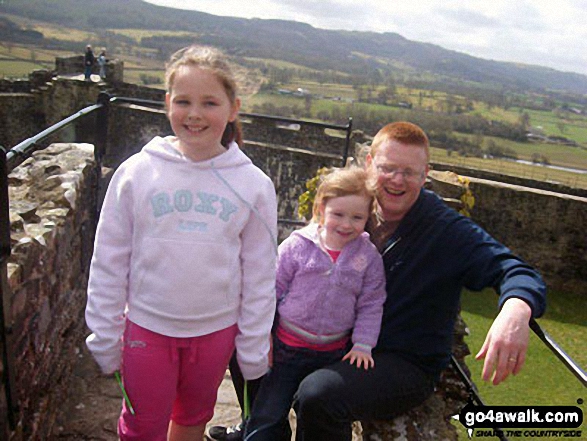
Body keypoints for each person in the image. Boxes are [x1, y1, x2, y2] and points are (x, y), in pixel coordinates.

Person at [211, 121, 547, 441]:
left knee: (318, 394)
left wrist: (516, 310)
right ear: (369, 164)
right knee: (246, 338)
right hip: (341, 341)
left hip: (402, 361)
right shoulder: (356, 214)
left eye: (409, 172)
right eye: (387, 168)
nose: (397, 180)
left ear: (424, 175)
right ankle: (261, 429)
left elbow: (512, 269)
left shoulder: (446, 231)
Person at [84, 45, 277, 441]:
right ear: (167, 103)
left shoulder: (253, 186)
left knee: (192, 418)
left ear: (233, 108)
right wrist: (104, 332)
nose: (194, 114)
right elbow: (109, 259)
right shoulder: (137, 173)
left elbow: (260, 273)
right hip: (146, 328)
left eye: (209, 102)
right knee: (141, 426)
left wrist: (253, 343)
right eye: (184, 101)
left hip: (214, 332)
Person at [244, 167, 387, 440]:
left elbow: (371, 303)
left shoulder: (368, 257)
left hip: (334, 354)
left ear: (368, 217)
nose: (346, 224)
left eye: (357, 217)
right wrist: (264, 334)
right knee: (268, 415)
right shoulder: (297, 245)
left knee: (320, 416)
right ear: (322, 209)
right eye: (338, 214)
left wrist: (363, 344)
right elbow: (271, 290)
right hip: (287, 349)